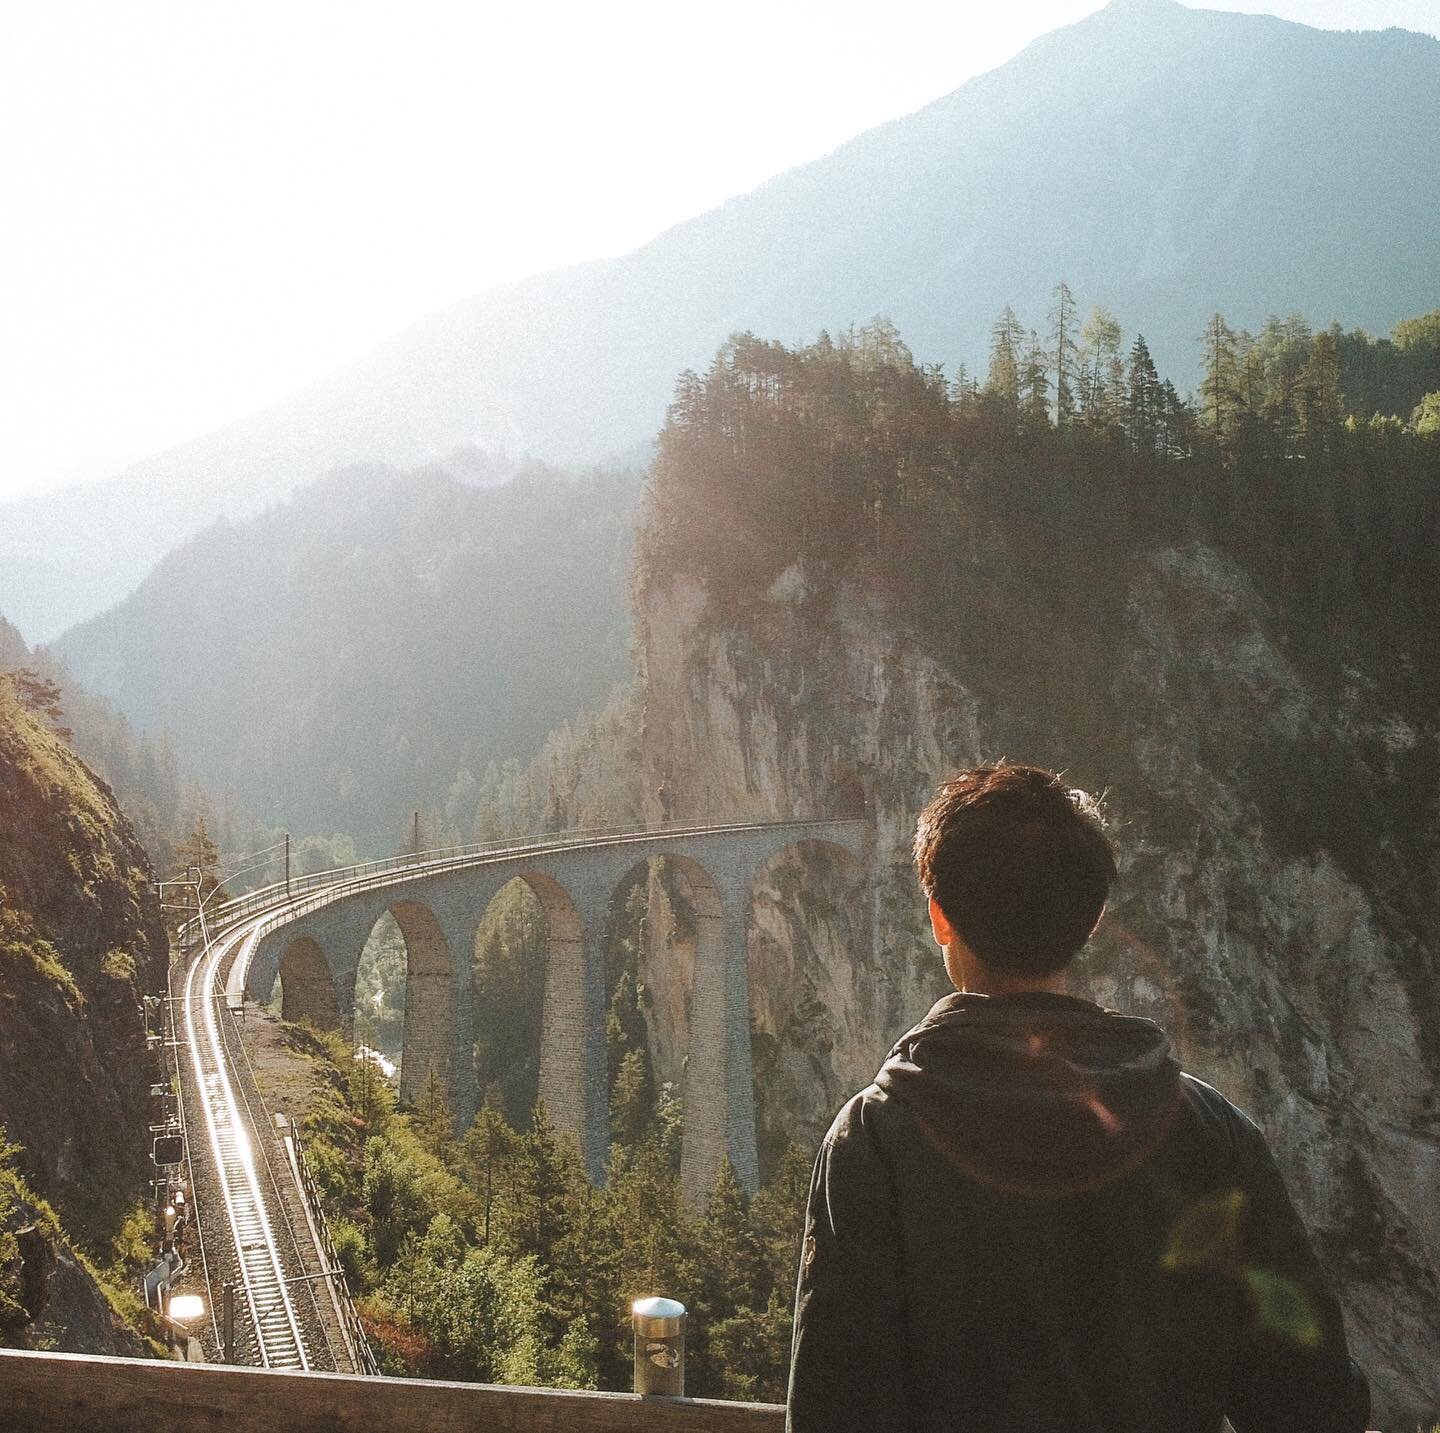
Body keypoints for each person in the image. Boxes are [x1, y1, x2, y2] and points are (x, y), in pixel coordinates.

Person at [787, 763, 1369, 1433]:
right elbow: (1315, 1405)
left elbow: (834, 1406)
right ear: (1093, 918)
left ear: (939, 917)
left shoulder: (875, 1141)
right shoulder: (1214, 1134)